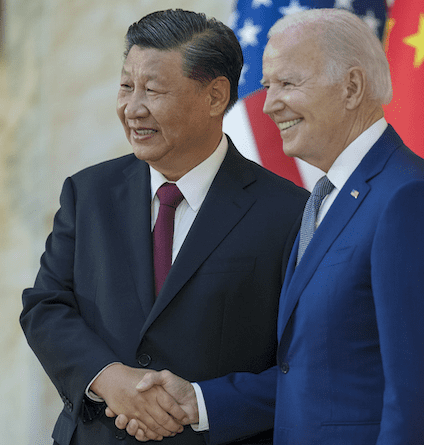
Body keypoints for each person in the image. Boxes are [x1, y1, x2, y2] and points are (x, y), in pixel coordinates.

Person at [119, 8, 424, 444]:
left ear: (352, 87)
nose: (268, 104)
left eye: (288, 84)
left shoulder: (409, 199)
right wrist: (200, 401)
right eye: (268, 85)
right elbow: (313, 373)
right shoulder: (325, 200)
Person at [20, 9, 309, 445]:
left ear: (215, 97)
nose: (132, 108)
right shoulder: (88, 193)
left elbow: (304, 366)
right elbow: (45, 306)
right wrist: (109, 378)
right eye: (125, 86)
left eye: (153, 90)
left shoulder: (287, 213)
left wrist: (201, 403)